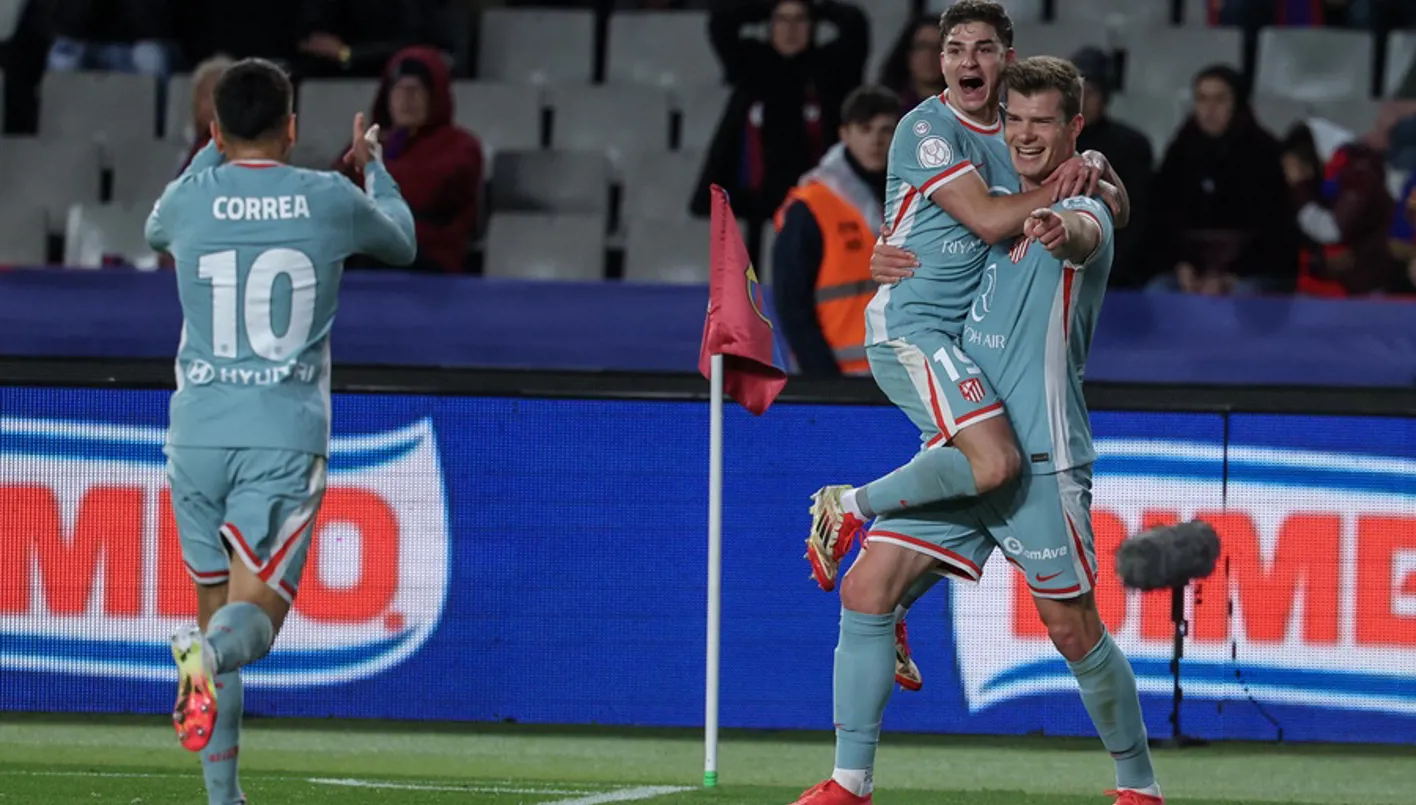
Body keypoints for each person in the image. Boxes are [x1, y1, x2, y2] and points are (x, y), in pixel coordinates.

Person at [792, 56, 1161, 805]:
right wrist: (888, 254)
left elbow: (1088, 232)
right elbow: (939, 239)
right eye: (1014, 119)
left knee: (1073, 629)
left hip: (1042, 456)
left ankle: (1139, 786)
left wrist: (1069, 216)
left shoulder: (1080, 204)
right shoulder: (996, 200)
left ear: (1074, 127)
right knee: (866, 587)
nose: (1025, 134)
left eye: (1043, 122)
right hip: (970, 442)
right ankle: (849, 784)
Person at [144, 57, 416, 805]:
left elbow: (155, 225)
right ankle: (204, 657)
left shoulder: (189, 198)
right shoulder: (328, 196)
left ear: (215, 130)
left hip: (195, 437)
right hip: (280, 437)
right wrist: (373, 167)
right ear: (292, 127)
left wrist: (214, 151)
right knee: (250, 627)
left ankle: (223, 797)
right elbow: (402, 241)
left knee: (216, 616)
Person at [801, 0, 1124, 625]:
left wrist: (1095, 168)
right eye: (954, 50)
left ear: (1007, 59)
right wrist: (1066, 185)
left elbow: (1116, 207)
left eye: (982, 49)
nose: (966, 61)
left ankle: (888, 608)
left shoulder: (1016, 129)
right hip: (913, 329)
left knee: (973, 477)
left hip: (963, 342)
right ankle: (846, 505)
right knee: (996, 462)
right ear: (941, 62)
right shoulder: (926, 129)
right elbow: (986, 219)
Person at [772, 86, 897, 379]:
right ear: (845, 133)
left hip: (905, 375)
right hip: (839, 377)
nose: (876, 140)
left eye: (886, 130)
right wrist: (824, 381)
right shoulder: (811, 206)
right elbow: (792, 304)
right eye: (865, 129)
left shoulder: (914, 197)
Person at [1147, 65, 1295, 294]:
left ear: (1237, 103)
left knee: (1244, 295)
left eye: (1220, 100)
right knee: (1158, 292)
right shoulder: (1181, 150)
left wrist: (1230, 276)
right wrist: (1181, 264)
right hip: (1192, 269)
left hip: (1250, 271)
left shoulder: (1264, 153)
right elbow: (1163, 217)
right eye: (1202, 99)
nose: (1209, 109)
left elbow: (1275, 230)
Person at [336, 46, 484, 273]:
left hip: (429, 262)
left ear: (435, 96)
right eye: (399, 89)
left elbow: (426, 195)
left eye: (416, 90)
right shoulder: (372, 141)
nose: (406, 99)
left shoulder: (461, 147)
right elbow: (335, 191)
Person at [876, 15, 945, 113]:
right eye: (922, 47)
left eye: (938, 47)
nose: (929, 55)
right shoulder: (884, 109)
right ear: (907, 52)